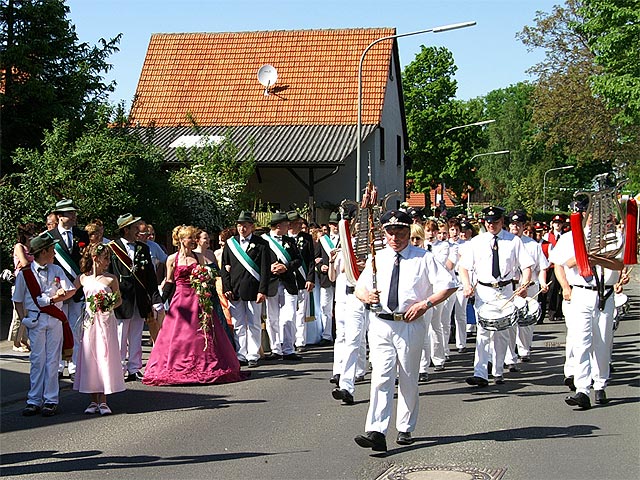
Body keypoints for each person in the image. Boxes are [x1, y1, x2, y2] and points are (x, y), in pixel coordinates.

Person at [354, 210, 456, 451]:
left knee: (408, 377)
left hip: (410, 324)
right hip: (381, 323)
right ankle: (376, 430)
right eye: (390, 233)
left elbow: (449, 285)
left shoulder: (423, 258)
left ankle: (405, 426)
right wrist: (367, 296)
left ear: (408, 232)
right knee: (381, 376)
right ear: (384, 234)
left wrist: (425, 304)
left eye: (399, 232)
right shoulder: (376, 258)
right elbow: (360, 288)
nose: (395, 238)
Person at [143, 225, 245, 385]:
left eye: (194, 238)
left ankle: (202, 365)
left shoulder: (199, 257)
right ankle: (178, 366)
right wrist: (160, 301)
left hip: (198, 299)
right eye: (190, 238)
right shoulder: (172, 259)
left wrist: (204, 282)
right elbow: (169, 282)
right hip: (180, 301)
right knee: (179, 335)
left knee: (201, 334)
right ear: (181, 240)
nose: (193, 241)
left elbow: (207, 277)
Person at [550, 200, 623, 409]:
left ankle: (600, 383)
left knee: (602, 340)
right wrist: (584, 256)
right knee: (581, 340)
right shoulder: (571, 237)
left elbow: (619, 263)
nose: (592, 217)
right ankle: (582, 388)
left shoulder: (613, 237)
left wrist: (597, 259)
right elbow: (564, 263)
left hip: (605, 294)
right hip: (581, 292)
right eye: (588, 212)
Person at [459, 206, 534, 387]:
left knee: (501, 333)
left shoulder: (513, 241)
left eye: (495, 222)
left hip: (505, 290)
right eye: (488, 222)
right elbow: (464, 267)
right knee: (483, 332)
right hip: (484, 291)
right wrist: (467, 285)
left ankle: (498, 370)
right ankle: (480, 373)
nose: (491, 225)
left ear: (502, 222)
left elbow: (526, 266)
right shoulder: (476, 242)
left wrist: (524, 285)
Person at [12, 232, 76, 417]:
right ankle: (33, 400)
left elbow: (70, 290)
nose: (54, 252)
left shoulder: (56, 270)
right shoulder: (26, 274)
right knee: (37, 360)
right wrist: (24, 318)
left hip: (54, 319)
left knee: (52, 360)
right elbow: (17, 300)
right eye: (52, 249)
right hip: (35, 319)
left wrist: (60, 296)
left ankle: (51, 400)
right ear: (43, 251)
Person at [108, 214, 163, 381]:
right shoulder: (112, 248)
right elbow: (108, 274)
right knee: (120, 336)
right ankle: (119, 369)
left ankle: (134, 368)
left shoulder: (143, 248)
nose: (138, 230)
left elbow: (150, 277)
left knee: (136, 335)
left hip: (140, 299)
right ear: (126, 230)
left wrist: (156, 298)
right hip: (122, 299)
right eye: (134, 227)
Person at [73, 243, 126, 415]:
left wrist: (108, 304)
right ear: (95, 258)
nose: (108, 262)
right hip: (90, 323)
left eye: (108, 258)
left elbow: (119, 300)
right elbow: (69, 291)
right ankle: (92, 400)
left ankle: (103, 400)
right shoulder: (83, 278)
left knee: (104, 356)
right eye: (105, 258)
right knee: (90, 358)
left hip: (106, 321)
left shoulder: (111, 279)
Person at [221, 213, 270, 368]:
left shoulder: (261, 244)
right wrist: (227, 288)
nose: (242, 228)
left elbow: (265, 270)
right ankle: (241, 354)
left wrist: (262, 290)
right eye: (239, 225)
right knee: (238, 324)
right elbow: (224, 268)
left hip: (254, 290)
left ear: (252, 227)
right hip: (235, 290)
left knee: (254, 323)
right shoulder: (231, 244)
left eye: (245, 225)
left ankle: (253, 355)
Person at [48, 199, 89, 381]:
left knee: (76, 329)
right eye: (69, 213)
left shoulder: (82, 235)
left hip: (77, 288)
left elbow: (85, 261)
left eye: (74, 213)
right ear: (59, 216)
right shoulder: (50, 237)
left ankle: (73, 367)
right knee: (58, 329)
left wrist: (79, 282)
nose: (73, 216)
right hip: (59, 290)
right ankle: (57, 366)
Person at [505, 210, 549, 367]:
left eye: (518, 224)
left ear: (524, 226)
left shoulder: (533, 245)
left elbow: (542, 267)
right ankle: (510, 355)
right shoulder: (504, 243)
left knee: (526, 322)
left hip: (529, 287)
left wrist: (543, 282)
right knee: (509, 321)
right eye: (512, 224)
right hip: (510, 286)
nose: (515, 226)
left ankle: (524, 350)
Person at [263, 212, 303, 361]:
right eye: (287, 224)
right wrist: (270, 268)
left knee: (289, 316)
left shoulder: (290, 241)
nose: (289, 226)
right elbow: (259, 261)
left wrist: (286, 266)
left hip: (288, 283)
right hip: (272, 283)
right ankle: (275, 349)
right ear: (279, 225)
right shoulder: (263, 241)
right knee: (272, 318)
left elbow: (298, 260)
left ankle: (288, 349)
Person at [287, 210, 316, 352]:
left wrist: (310, 278)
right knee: (288, 313)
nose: (300, 225)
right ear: (290, 224)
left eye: (300, 223)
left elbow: (311, 260)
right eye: (297, 223)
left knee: (301, 312)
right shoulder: (283, 239)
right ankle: (288, 340)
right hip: (287, 280)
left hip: (303, 279)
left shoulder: (306, 238)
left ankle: (300, 341)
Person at [8, 223, 37, 353]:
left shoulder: (32, 247)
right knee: (18, 313)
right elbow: (24, 262)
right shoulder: (19, 247)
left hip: (30, 281)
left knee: (28, 310)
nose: (32, 236)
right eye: (30, 233)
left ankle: (24, 340)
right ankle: (16, 341)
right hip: (20, 280)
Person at [314, 211, 340, 347]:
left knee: (340, 306)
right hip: (326, 278)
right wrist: (320, 266)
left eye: (337, 224)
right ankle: (326, 334)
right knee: (325, 306)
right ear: (329, 225)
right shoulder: (323, 240)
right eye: (333, 224)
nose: (335, 227)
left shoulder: (345, 239)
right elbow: (316, 258)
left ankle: (340, 333)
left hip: (341, 277)